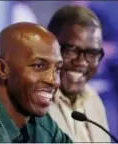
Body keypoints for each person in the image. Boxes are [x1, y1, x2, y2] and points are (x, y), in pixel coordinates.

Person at [47, 5, 111, 142]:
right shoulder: (33, 103)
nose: (81, 62)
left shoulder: (93, 99)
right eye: (71, 50)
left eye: (92, 53)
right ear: (48, 46)